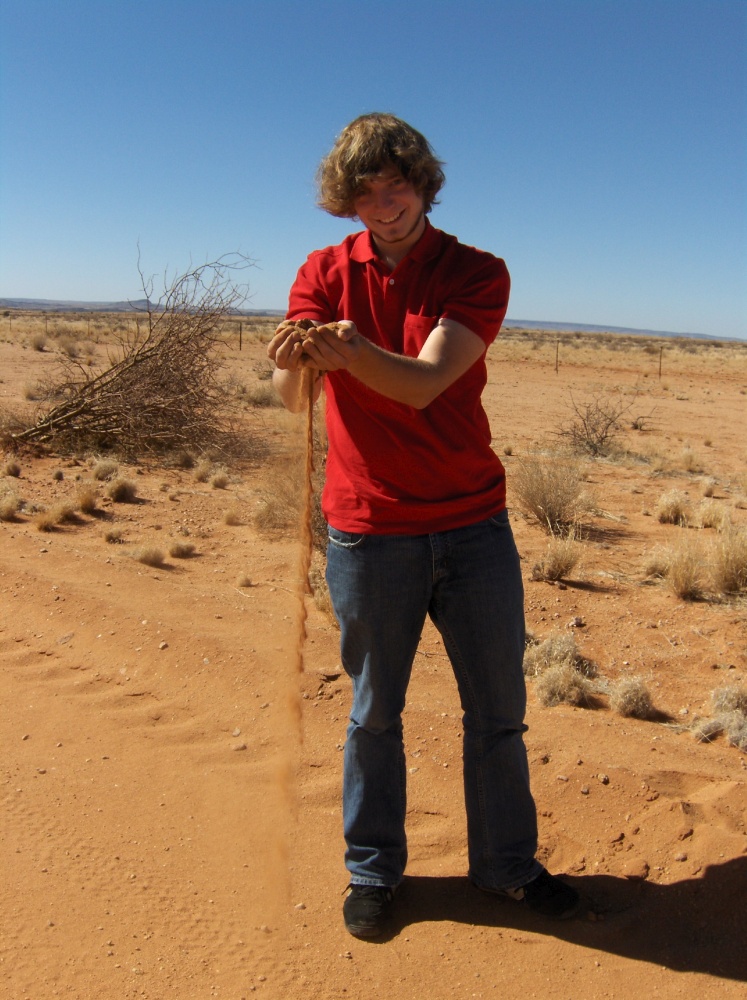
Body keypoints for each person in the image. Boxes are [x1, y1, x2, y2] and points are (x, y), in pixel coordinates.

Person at [268, 112, 580, 937]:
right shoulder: (322, 270)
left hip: (472, 526)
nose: (383, 204)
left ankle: (504, 868)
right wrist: (295, 364)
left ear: (422, 183)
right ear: (346, 199)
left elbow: (424, 382)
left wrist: (348, 350)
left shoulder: (474, 271)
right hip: (368, 530)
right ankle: (372, 873)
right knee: (373, 713)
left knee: (497, 711)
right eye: (364, 191)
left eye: (395, 185)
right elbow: (294, 399)